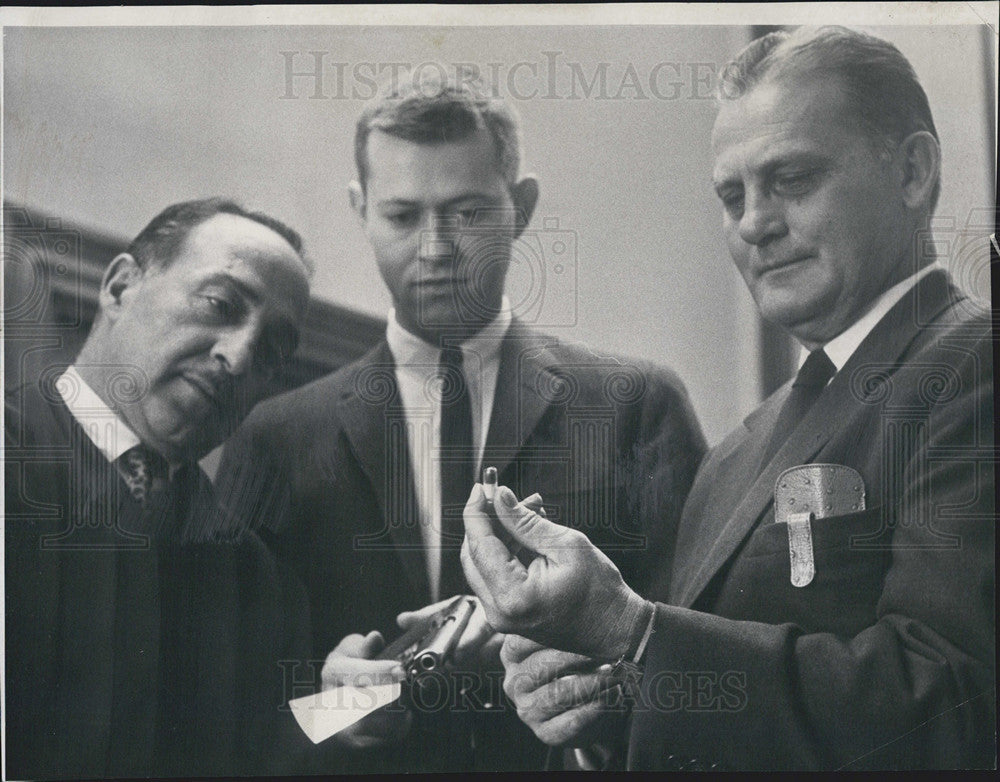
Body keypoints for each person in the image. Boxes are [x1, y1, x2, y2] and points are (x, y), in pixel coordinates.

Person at [461, 26, 995, 771]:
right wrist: (600, 712)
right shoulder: (739, 448)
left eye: (794, 179)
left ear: (912, 172)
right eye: (732, 194)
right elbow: (702, 697)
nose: (754, 223)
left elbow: (956, 707)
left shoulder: (977, 365)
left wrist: (636, 634)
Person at [216, 70, 706, 772]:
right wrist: (335, 712)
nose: (437, 246)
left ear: (523, 205)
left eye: (468, 212)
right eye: (402, 215)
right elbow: (225, 703)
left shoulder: (637, 405)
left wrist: (592, 708)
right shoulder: (275, 437)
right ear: (360, 210)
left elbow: (692, 657)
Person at [4, 198, 315, 778]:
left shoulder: (257, 579)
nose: (239, 355)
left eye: (272, 350)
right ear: (121, 287)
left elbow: (266, 748)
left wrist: (354, 704)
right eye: (220, 305)